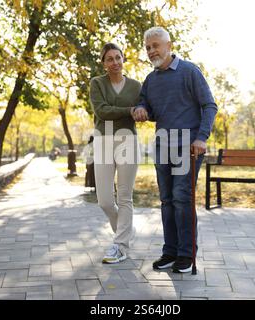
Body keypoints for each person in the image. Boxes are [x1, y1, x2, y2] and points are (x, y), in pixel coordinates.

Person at [133, 27, 218, 273]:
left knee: (182, 198)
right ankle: (170, 252)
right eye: (148, 47)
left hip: (188, 146)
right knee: (167, 200)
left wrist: (202, 137)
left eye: (155, 45)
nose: (151, 51)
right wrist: (139, 110)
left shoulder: (189, 71)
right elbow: (145, 105)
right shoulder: (150, 80)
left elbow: (209, 106)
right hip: (163, 146)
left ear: (169, 45)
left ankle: (186, 254)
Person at [89, 43, 141, 264]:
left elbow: (144, 109)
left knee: (125, 196)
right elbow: (101, 111)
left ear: (123, 59)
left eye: (118, 57)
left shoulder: (136, 86)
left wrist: (137, 112)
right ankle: (126, 231)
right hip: (103, 140)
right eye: (109, 59)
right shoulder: (97, 83)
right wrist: (129, 111)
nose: (114, 62)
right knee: (105, 201)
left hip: (127, 139)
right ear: (103, 63)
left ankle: (120, 244)